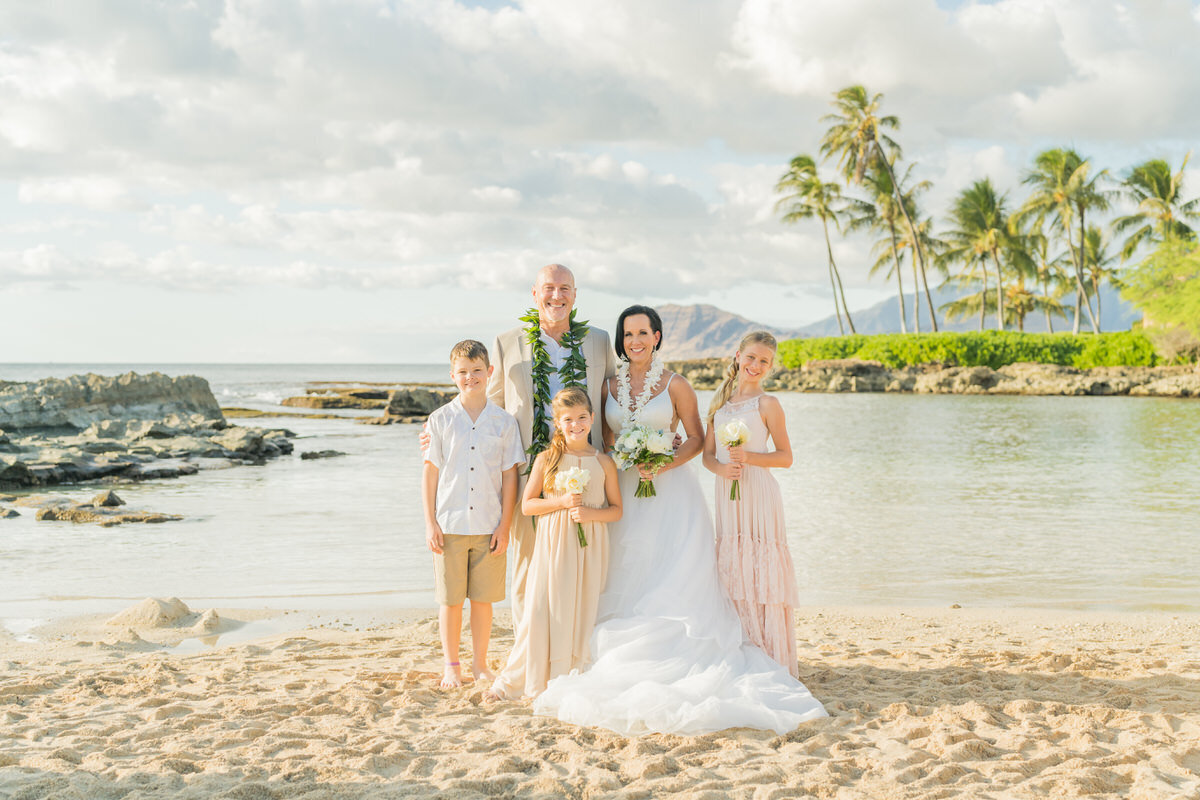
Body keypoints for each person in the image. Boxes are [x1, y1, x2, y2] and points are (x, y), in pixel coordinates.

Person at [533, 306, 827, 735]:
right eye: (628, 333)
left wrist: (664, 462)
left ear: (657, 337)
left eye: (643, 332)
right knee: (625, 566)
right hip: (626, 491)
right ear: (622, 340)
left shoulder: (677, 384)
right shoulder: (607, 385)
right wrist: (626, 457)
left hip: (671, 493)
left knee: (670, 570)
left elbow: (697, 439)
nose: (635, 340)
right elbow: (607, 438)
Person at [484, 265, 618, 623]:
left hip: (586, 469)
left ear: (575, 294)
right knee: (529, 564)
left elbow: (614, 401)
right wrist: (442, 434)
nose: (556, 296)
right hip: (528, 469)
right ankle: (525, 650)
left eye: (564, 289)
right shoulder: (506, 343)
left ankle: (576, 644)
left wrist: (664, 430)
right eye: (549, 288)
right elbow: (492, 407)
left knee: (583, 561)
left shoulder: (599, 341)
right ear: (534, 293)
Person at [487, 388, 622, 700]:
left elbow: (617, 511)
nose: (576, 425)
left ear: (591, 418)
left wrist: (590, 512)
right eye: (568, 419)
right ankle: (523, 676)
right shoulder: (547, 459)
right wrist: (561, 501)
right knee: (541, 609)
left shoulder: (604, 462)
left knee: (580, 607)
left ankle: (570, 672)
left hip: (590, 546)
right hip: (553, 545)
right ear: (557, 423)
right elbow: (527, 505)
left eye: (582, 418)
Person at [422, 340, 525, 688]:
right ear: (453, 376)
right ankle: (451, 665)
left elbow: (510, 476)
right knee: (450, 601)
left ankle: (480, 664)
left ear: (489, 373)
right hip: (449, 525)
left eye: (477, 371)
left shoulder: (504, 422)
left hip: (489, 524)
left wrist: (505, 526)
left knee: (483, 601)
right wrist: (430, 522)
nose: (471, 378)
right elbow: (431, 473)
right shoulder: (439, 420)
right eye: (463, 372)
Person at [703, 331, 801, 677]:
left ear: (771, 367)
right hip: (728, 493)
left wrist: (749, 457)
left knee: (759, 566)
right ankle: (740, 646)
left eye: (764, 361)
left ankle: (769, 653)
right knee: (733, 568)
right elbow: (707, 459)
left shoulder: (768, 404)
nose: (756, 366)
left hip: (759, 494)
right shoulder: (720, 404)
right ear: (737, 356)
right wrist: (724, 468)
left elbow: (786, 458)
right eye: (751, 357)